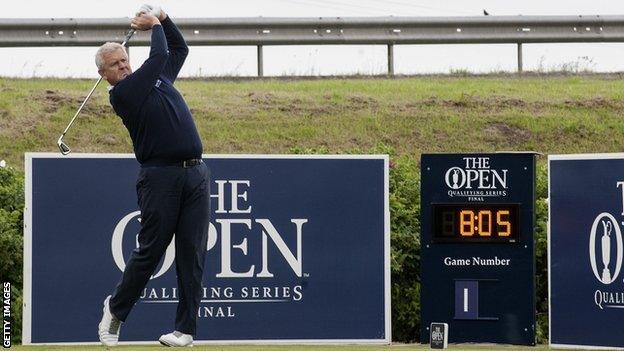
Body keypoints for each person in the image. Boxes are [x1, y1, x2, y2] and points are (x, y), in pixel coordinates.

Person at [95, 4, 209, 347]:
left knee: (192, 254)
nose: (124, 65)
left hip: (196, 174)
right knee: (151, 252)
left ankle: (184, 330)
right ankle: (115, 310)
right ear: (105, 75)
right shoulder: (124, 94)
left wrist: (165, 18)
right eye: (115, 64)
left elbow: (178, 50)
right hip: (159, 177)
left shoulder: (156, 78)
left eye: (124, 59)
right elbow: (159, 53)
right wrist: (154, 24)